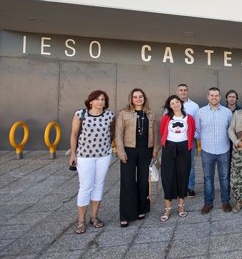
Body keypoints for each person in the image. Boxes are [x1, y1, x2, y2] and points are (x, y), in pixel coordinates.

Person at [69, 90, 115, 234]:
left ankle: (94, 217)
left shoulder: (110, 115)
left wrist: (112, 146)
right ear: (90, 101)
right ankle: (81, 220)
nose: (100, 102)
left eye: (102, 99)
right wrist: (73, 153)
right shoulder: (80, 114)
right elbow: (74, 134)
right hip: (85, 156)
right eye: (97, 99)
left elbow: (112, 133)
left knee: (98, 185)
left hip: (103, 155)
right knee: (85, 186)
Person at [115, 88, 159, 227]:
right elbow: (118, 133)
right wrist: (121, 151)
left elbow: (155, 132)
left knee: (143, 181)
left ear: (144, 98)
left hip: (146, 150)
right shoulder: (124, 113)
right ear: (131, 99)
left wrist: (155, 149)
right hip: (129, 150)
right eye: (135, 97)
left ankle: (142, 209)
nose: (138, 99)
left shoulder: (150, 113)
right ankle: (126, 214)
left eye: (140, 96)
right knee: (127, 182)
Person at [196, 87, 233, 214]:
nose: (214, 97)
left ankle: (225, 202)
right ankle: (208, 203)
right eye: (212, 95)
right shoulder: (200, 112)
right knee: (208, 177)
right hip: (207, 150)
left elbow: (231, 130)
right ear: (208, 96)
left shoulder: (227, 112)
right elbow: (197, 130)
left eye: (216, 95)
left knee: (224, 177)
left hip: (224, 149)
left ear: (220, 97)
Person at [159, 95, 195, 221]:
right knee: (167, 176)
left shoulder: (189, 118)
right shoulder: (166, 118)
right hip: (169, 148)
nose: (175, 104)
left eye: (177, 102)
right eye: (172, 103)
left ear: (181, 103)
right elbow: (162, 131)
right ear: (170, 105)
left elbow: (192, 131)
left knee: (183, 175)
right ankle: (168, 208)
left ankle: (181, 206)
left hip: (184, 148)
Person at [176, 84, 200, 197]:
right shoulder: (171, 104)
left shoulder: (194, 106)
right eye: (181, 90)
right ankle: (177, 187)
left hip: (189, 140)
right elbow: (166, 122)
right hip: (174, 141)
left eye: (185, 90)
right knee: (176, 164)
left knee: (190, 163)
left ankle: (190, 187)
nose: (183, 92)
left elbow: (198, 124)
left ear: (188, 91)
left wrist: (192, 136)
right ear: (177, 91)